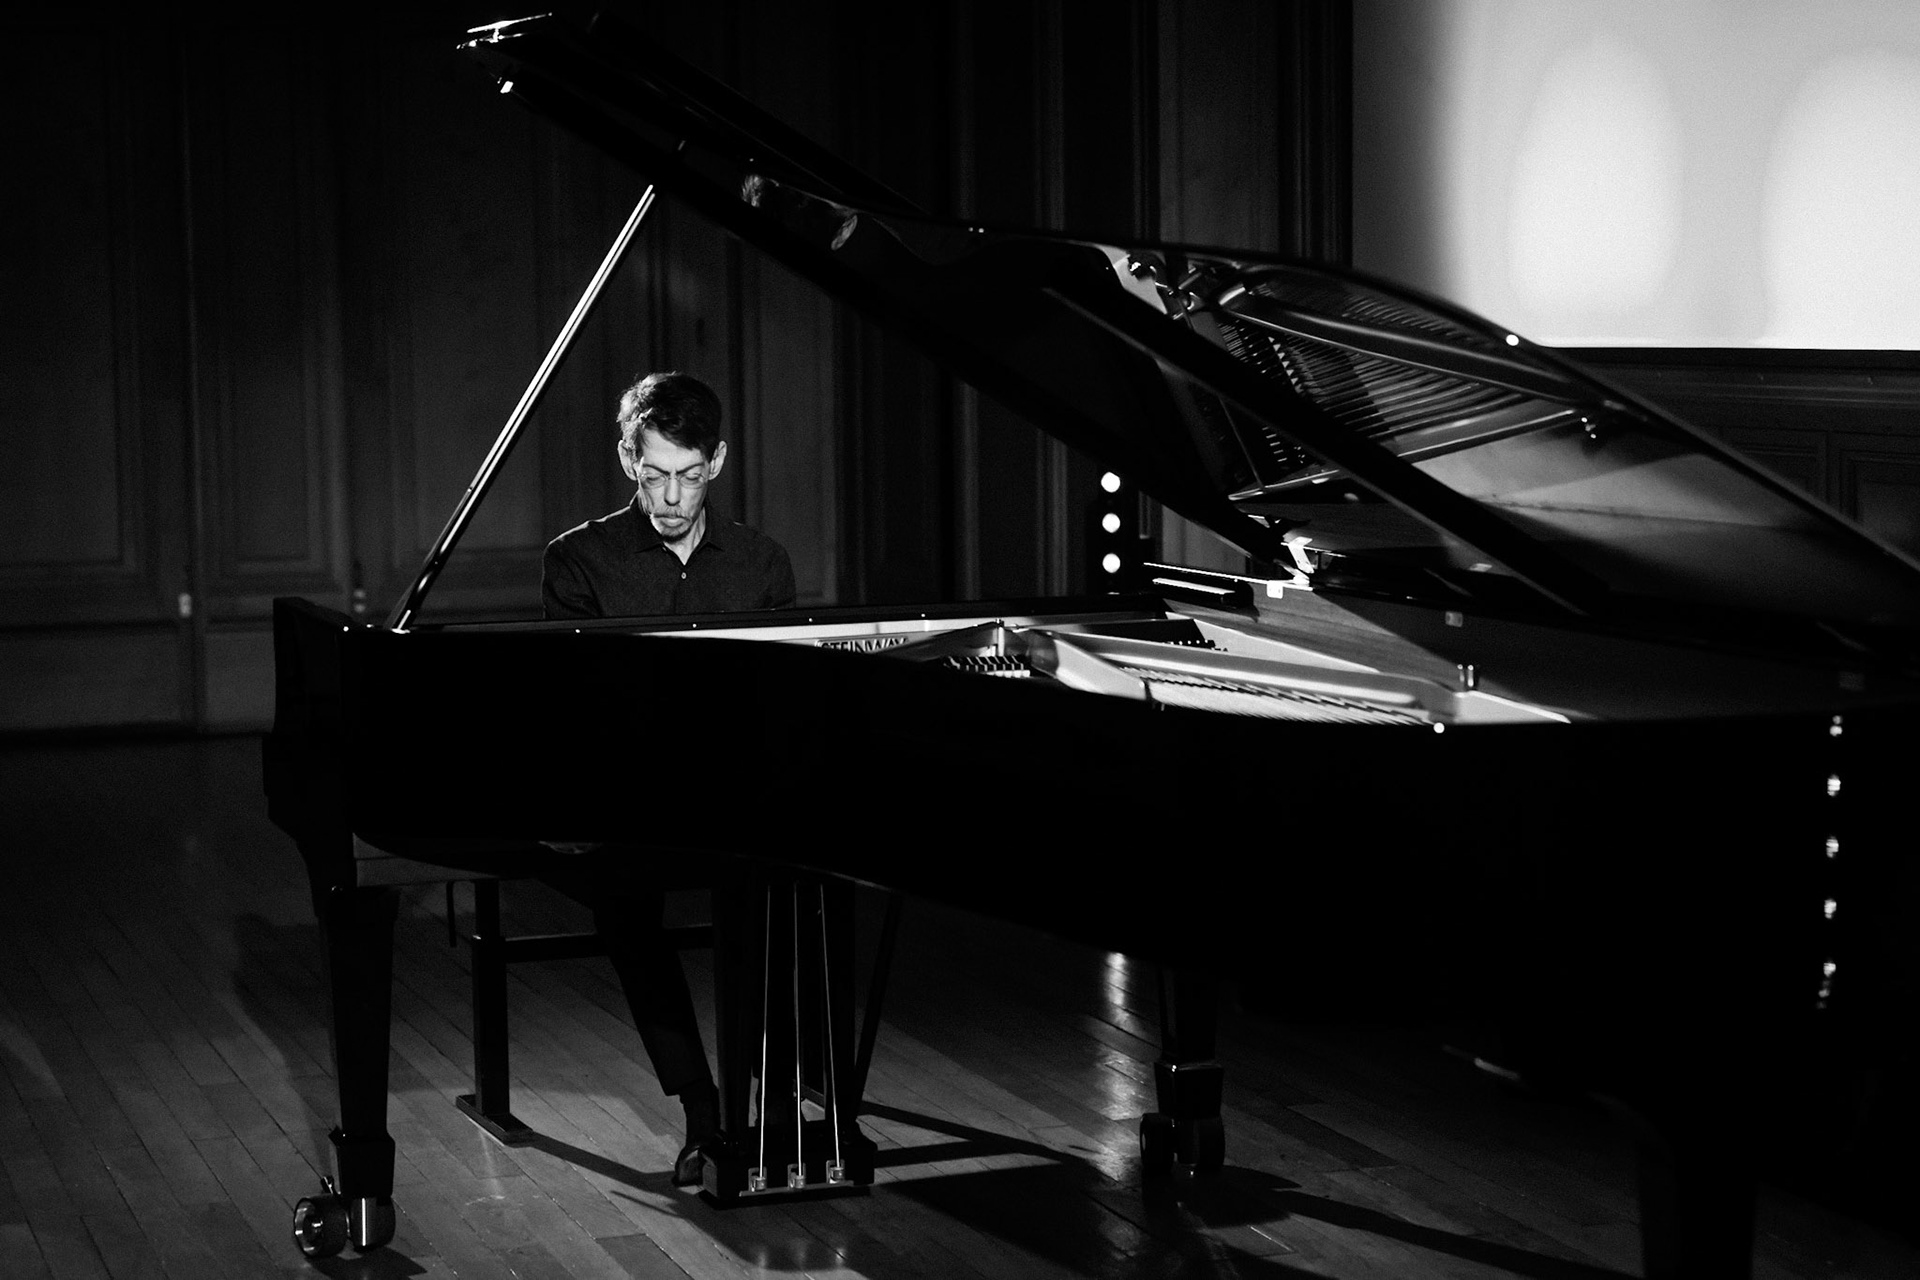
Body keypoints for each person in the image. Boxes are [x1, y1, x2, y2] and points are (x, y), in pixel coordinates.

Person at [540, 371, 795, 1186]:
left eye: (688, 474)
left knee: (781, 889)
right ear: (627, 458)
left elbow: (784, 700)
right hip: (629, 794)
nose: (672, 496)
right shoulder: (579, 560)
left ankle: (776, 1100)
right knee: (624, 905)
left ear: (716, 462)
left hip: (734, 791)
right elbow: (576, 707)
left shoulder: (761, 562)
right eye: (654, 474)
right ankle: (702, 1107)